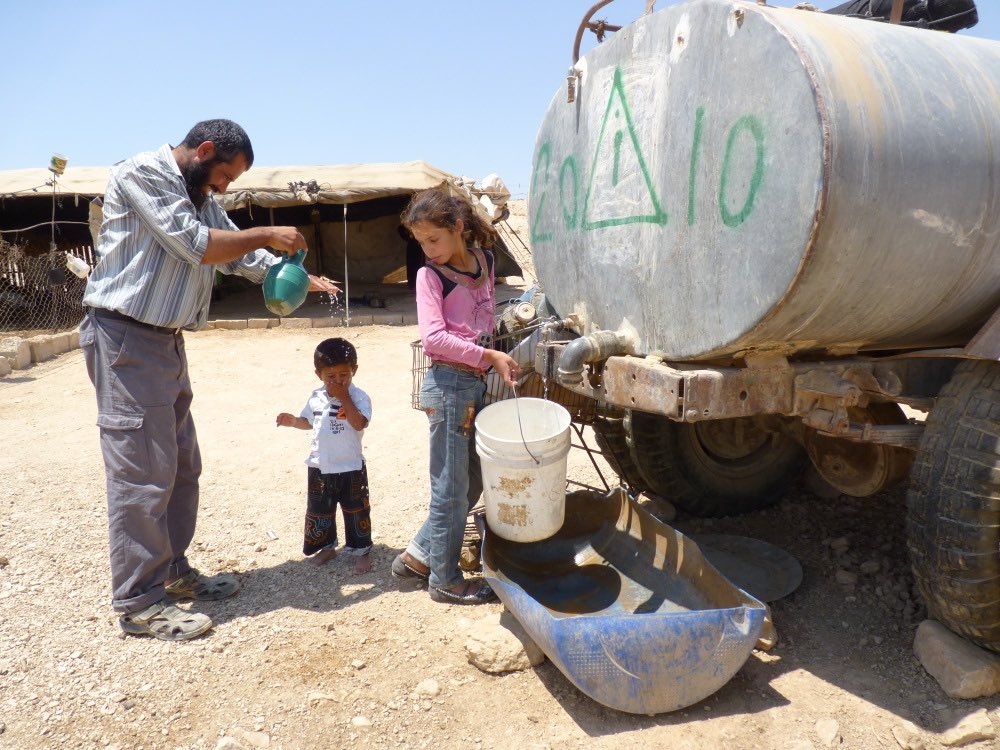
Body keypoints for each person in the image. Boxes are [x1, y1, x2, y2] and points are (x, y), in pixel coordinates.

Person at [80, 119, 339, 642]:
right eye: (223, 175)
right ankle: (139, 601)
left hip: (165, 340)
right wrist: (268, 231)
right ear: (202, 151)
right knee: (142, 473)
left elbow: (237, 252)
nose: (223, 188)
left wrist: (287, 271)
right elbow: (195, 244)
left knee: (180, 466)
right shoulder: (141, 174)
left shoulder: (200, 192)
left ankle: (172, 573)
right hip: (127, 338)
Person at [391, 188, 519, 605]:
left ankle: (419, 555)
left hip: (476, 385)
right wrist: (486, 354)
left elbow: (486, 316)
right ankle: (444, 580)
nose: (428, 251)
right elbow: (433, 339)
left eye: (434, 239)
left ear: (458, 227)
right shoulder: (430, 277)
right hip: (447, 387)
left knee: (476, 477)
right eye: (421, 242)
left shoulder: (485, 260)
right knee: (449, 487)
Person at [276, 337, 374, 574]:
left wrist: (344, 397)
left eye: (344, 375)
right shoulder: (316, 397)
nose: (338, 381)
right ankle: (326, 547)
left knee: (356, 511)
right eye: (331, 377)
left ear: (354, 371)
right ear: (318, 374)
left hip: (350, 466)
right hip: (320, 466)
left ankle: (362, 551)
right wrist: (293, 422)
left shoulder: (359, 397)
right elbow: (308, 422)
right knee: (321, 510)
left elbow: (359, 423)